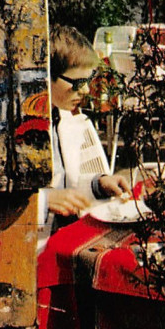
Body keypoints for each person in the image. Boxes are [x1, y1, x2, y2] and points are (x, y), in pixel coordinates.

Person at [47, 26, 131, 220]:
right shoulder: (23, 128)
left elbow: (67, 185)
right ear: (46, 76)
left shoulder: (63, 119)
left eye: (87, 81)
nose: (85, 90)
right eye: (77, 83)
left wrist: (99, 184)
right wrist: (44, 200)